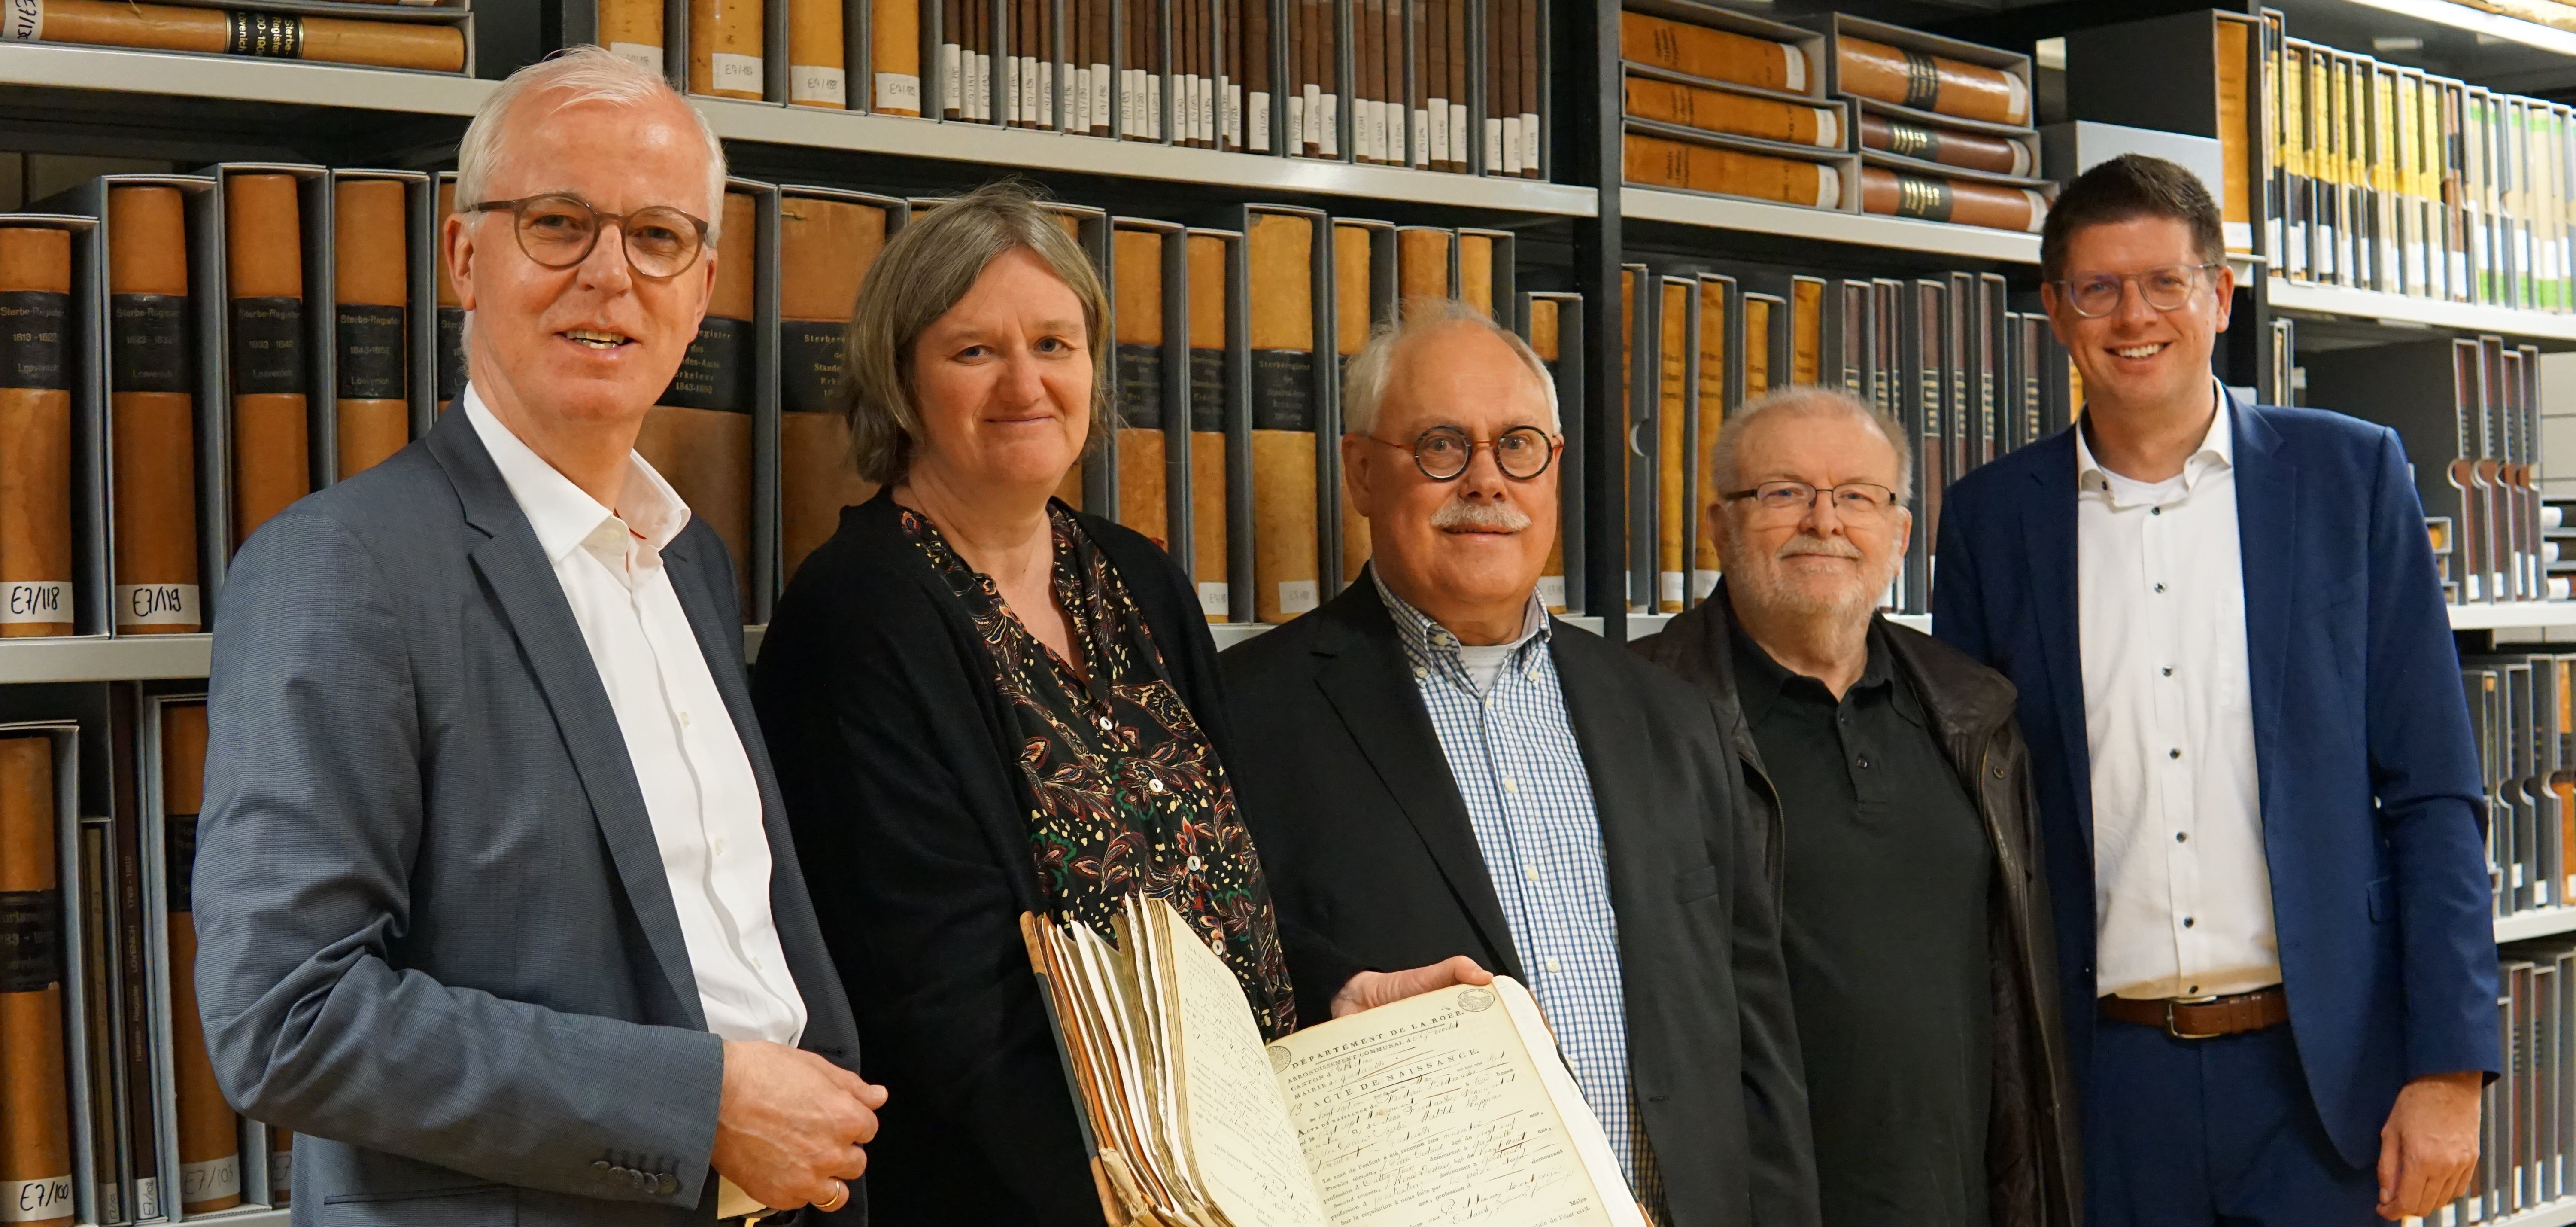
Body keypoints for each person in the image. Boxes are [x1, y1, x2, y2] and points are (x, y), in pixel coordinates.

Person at [190, 47, 882, 1226]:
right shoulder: (345, 566)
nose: (610, 275)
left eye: (657, 236)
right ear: (467, 256)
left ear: (702, 284)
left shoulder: (693, 563)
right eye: (559, 222)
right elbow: (285, 1018)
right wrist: (697, 1106)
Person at [1934, 153, 2496, 1225]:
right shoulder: (1993, 521)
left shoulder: (2351, 477)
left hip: (2324, 1079)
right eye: (2097, 288)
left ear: (2221, 295)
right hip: (2104, 1084)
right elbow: (1976, 819)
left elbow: (2433, 793)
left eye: (2165, 282)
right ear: (2055, 311)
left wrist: (2451, 1069)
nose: (2132, 315)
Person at [750, 180, 1293, 1227]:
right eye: (973, 351)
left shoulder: (1140, 578)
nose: (1025, 384)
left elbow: (1237, 885)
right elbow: (939, 1006)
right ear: (900, 380)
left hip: (1238, 1166)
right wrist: (1148, 1204)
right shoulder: (857, 617)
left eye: (1055, 342)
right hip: (1026, 1196)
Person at [1219, 299, 1820, 1227]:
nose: (1487, 481)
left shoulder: (1672, 716)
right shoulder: (1245, 715)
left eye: (1519, 446)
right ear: (1360, 472)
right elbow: (1218, 1012)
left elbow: (1756, 1043)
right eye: (1441, 446)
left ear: (1556, 472)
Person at [1631, 387, 2079, 1227]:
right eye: (1784, 492)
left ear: (1900, 535)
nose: (1824, 522)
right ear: (1718, 525)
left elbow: (2018, 1016)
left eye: (1858, 497)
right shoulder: (1634, 711)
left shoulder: (1976, 716)